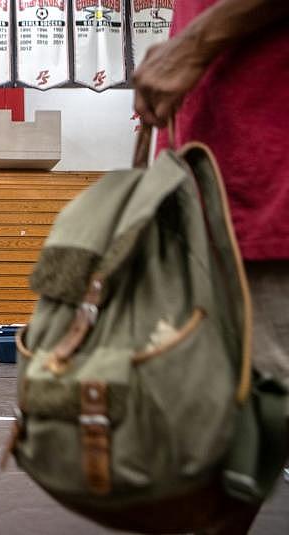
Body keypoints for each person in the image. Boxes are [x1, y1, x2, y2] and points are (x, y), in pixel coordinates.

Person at [133, 0, 289, 532]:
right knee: (210, 443)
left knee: (241, 424)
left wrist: (194, 41)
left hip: (266, 188)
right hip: (209, 186)